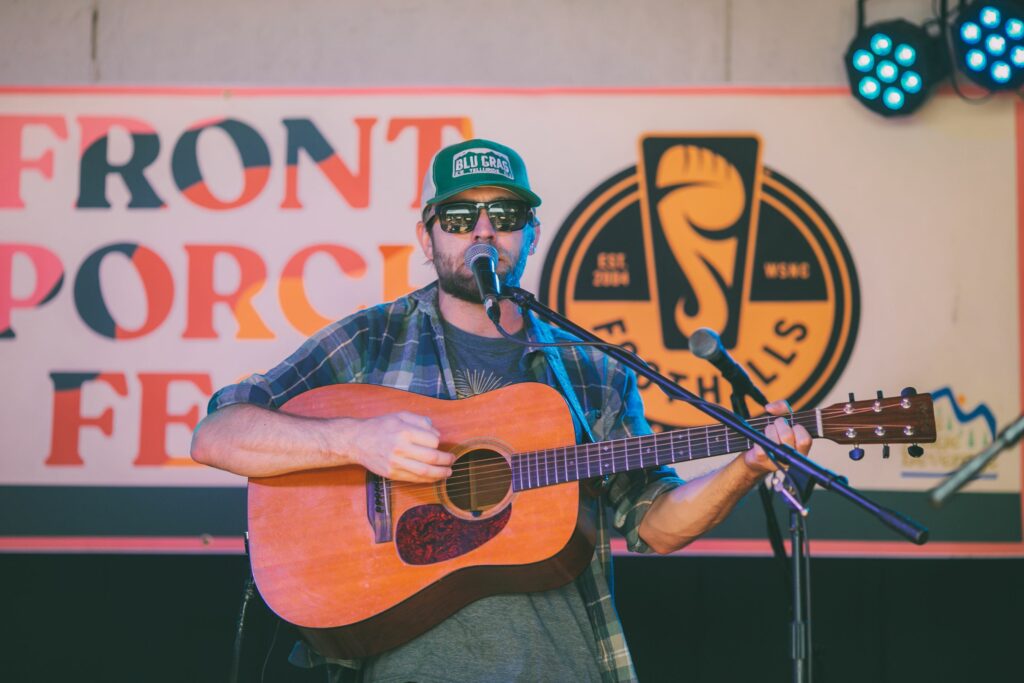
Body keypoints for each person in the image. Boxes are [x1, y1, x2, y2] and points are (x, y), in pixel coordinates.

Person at [191, 138, 812, 682]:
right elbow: (217, 434)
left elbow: (652, 524)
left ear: (531, 233)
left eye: (506, 214)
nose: (482, 230)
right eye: (459, 215)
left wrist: (747, 466)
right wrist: (355, 441)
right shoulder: (372, 341)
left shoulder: (593, 369)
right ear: (426, 237)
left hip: (564, 668)